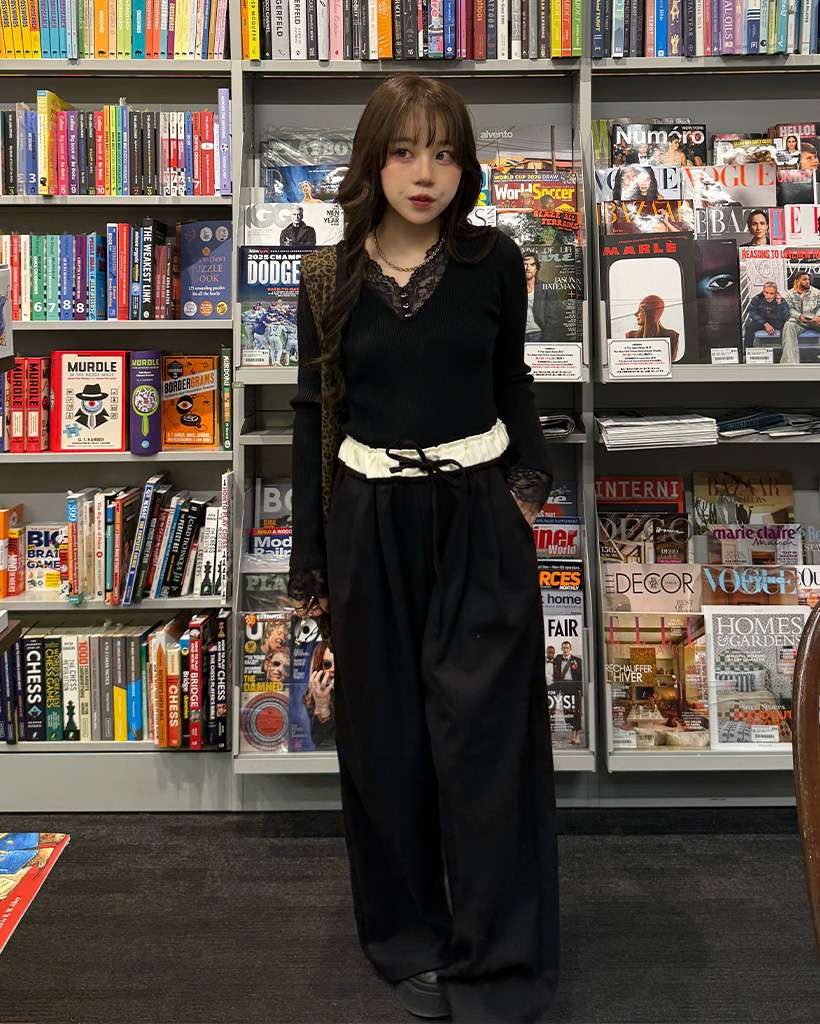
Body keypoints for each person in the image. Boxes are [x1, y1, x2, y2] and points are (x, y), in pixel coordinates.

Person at [288, 75, 558, 1024]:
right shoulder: (326, 279)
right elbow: (314, 417)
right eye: (404, 151)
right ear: (372, 160)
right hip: (370, 525)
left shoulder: (496, 261)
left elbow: (511, 380)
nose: (424, 173)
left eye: (444, 152)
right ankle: (410, 941)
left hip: (477, 517)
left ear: (465, 167)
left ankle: (501, 960)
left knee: (487, 743)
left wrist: (527, 490)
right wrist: (310, 565)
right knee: (387, 746)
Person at [523, 249, 567, 343]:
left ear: (536, 268)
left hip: (539, 335)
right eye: (525, 264)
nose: (528, 268)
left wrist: (545, 341)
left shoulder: (547, 290)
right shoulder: (512, 288)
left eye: (532, 264)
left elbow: (553, 318)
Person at [625, 294, 681, 361]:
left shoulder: (672, 337)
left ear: (650, 314)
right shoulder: (630, 336)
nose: (636, 314)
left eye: (641, 310)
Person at [781, 271, 820, 363]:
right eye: (804, 279)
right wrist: (799, 316)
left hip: (814, 319)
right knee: (788, 325)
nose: (807, 282)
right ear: (797, 281)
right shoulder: (789, 294)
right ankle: (790, 362)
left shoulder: (816, 292)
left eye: (808, 279)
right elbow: (790, 309)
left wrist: (818, 316)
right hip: (799, 321)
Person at [552, 641, 583, 746]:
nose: (565, 650)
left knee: (576, 712)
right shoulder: (558, 659)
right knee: (567, 712)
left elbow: (581, 676)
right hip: (564, 687)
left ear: (570, 649)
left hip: (574, 687)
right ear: (561, 649)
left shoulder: (577, 661)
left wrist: (581, 689)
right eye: (564, 648)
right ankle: (572, 735)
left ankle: (576, 736)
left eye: (567, 648)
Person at [743, 281, 789, 351]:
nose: (768, 296)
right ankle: (747, 352)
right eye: (766, 292)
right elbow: (752, 312)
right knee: (748, 327)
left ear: (775, 294)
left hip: (776, 321)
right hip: (762, 321)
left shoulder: (781, 300)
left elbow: (785, 316)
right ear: (763, 291)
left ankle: (785, 352)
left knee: (786, 327)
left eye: (771, 293)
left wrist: (779, 304)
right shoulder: (757, 298)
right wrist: (765, 324)